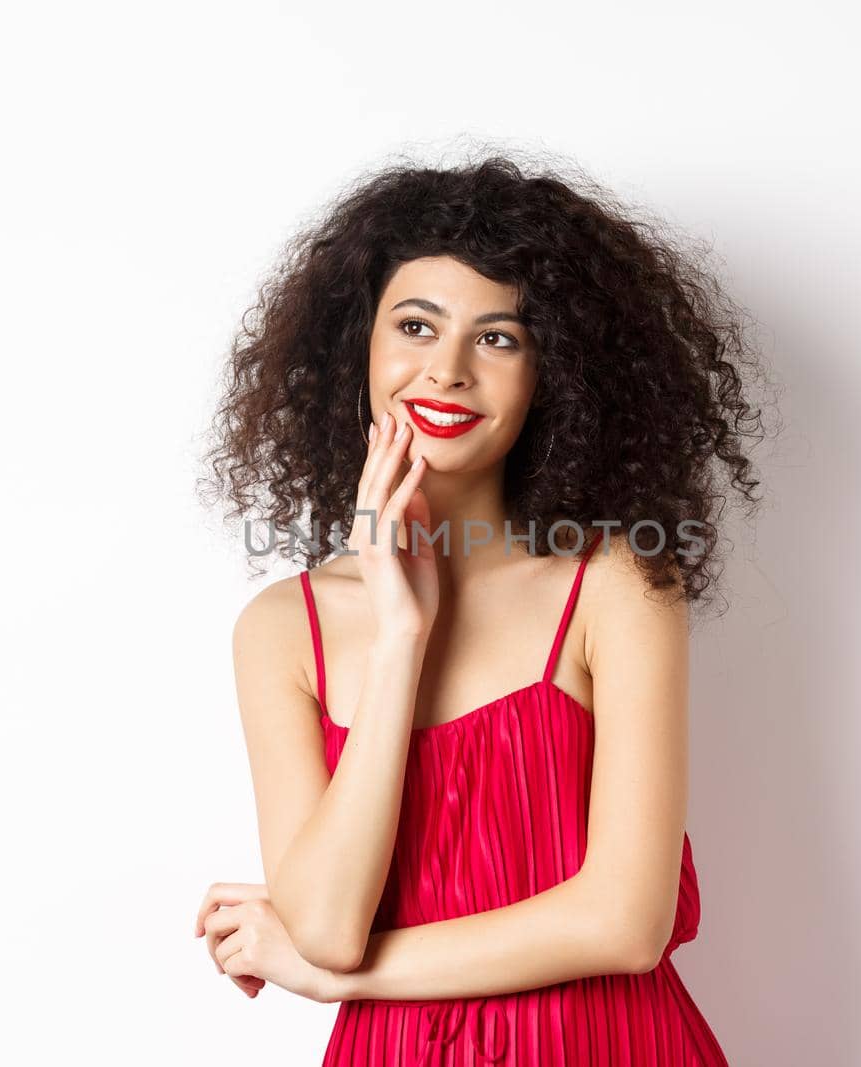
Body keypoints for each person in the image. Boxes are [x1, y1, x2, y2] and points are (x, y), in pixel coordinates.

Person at [194, 152, 767, 1064]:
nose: (448, 369)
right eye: (415, 325)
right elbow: (325, 923)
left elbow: (625, 923)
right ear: (360, 349)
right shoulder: (280, 630)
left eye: (498, 337)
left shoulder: (617, 585)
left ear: (553, 377)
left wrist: (346, 980)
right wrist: (399, 637)